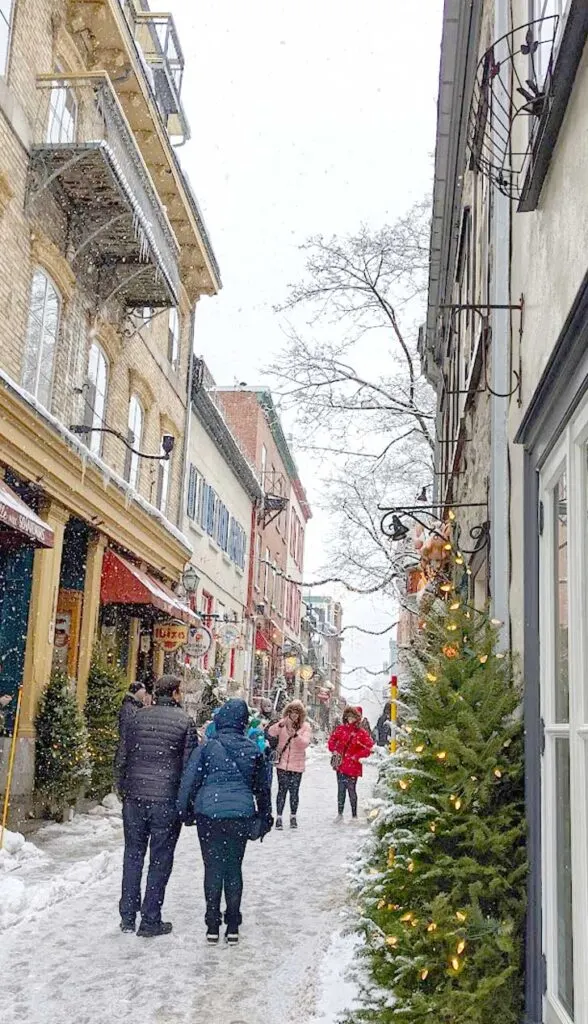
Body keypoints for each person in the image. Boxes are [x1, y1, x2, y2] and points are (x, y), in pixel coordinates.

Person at [177, 699, 272, 945]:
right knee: (233, 868)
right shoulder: (252, 750)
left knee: (212, 868)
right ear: (242, 722)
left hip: (209, 815)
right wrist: (264, 817)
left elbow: (190, 781)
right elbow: (263, 788)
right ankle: (232, 923)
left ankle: (211, 924)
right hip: (240, 815)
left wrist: (185, 811)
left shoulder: (207, 748)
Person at [116, 674, 197, 937]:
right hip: (166, 799)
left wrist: (123, 788)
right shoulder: (185, 722)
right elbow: (189, 769)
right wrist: (186, 804)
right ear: (175, 694)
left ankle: (128, 916)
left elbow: (122, 755)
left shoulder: (137, 717)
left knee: (133, 854)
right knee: (160, 859)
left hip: (135, 798)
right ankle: (150, 919)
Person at [268, 700, 312, 830]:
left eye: (297, 713)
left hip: (297, 765)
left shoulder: (305, 727)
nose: (294, 715)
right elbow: (270, 732)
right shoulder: (282, 725)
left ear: (300, 714)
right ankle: (279, 817)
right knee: (282, 791)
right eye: (292, 712)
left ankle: (293, 816)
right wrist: (281, 724)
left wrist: (296, 735)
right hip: (282, 764)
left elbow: (304, 743)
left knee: (294, 792)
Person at [328, 706, 374, 822]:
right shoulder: (340, 729)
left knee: (351, 790)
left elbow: (369, 747)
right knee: (341, 790)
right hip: (341, 765)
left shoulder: (361, 733)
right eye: (348, 716)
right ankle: (340, 813)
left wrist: (357, 756)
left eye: (353, 717)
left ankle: (354, 815)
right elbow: (331, 741)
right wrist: (335, 750)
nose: (350, 719)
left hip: (353, 766)